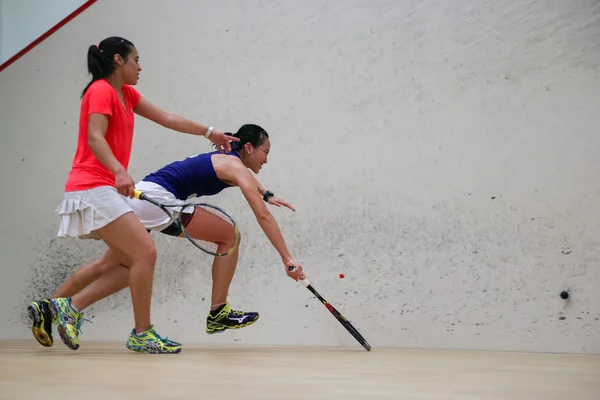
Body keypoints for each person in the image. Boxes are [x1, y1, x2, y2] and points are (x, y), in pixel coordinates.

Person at [26, 36, 238, 355]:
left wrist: (211, 133)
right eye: (135, 59)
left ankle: (59, 308)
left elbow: (167, 118)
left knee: (127, 264)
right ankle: (142, 333)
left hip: (103, 188)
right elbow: (95, 137)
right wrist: (120, 171)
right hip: (91, 188)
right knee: (145, 254)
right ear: (117, 60)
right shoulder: (100, 91)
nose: (140, 66)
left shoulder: (127, 94)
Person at [28, 124, 306, 353]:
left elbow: (248, 181)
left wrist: (266, 194)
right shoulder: (236, 167)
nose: (266, 160)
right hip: (158, 201)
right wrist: (287, 258)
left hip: (141, 195)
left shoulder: (230, 162)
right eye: (265, 152)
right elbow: (263, 217)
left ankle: (56, 306)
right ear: (248, 148)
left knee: (121, 268)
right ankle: (218, 312)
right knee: (229, 236)